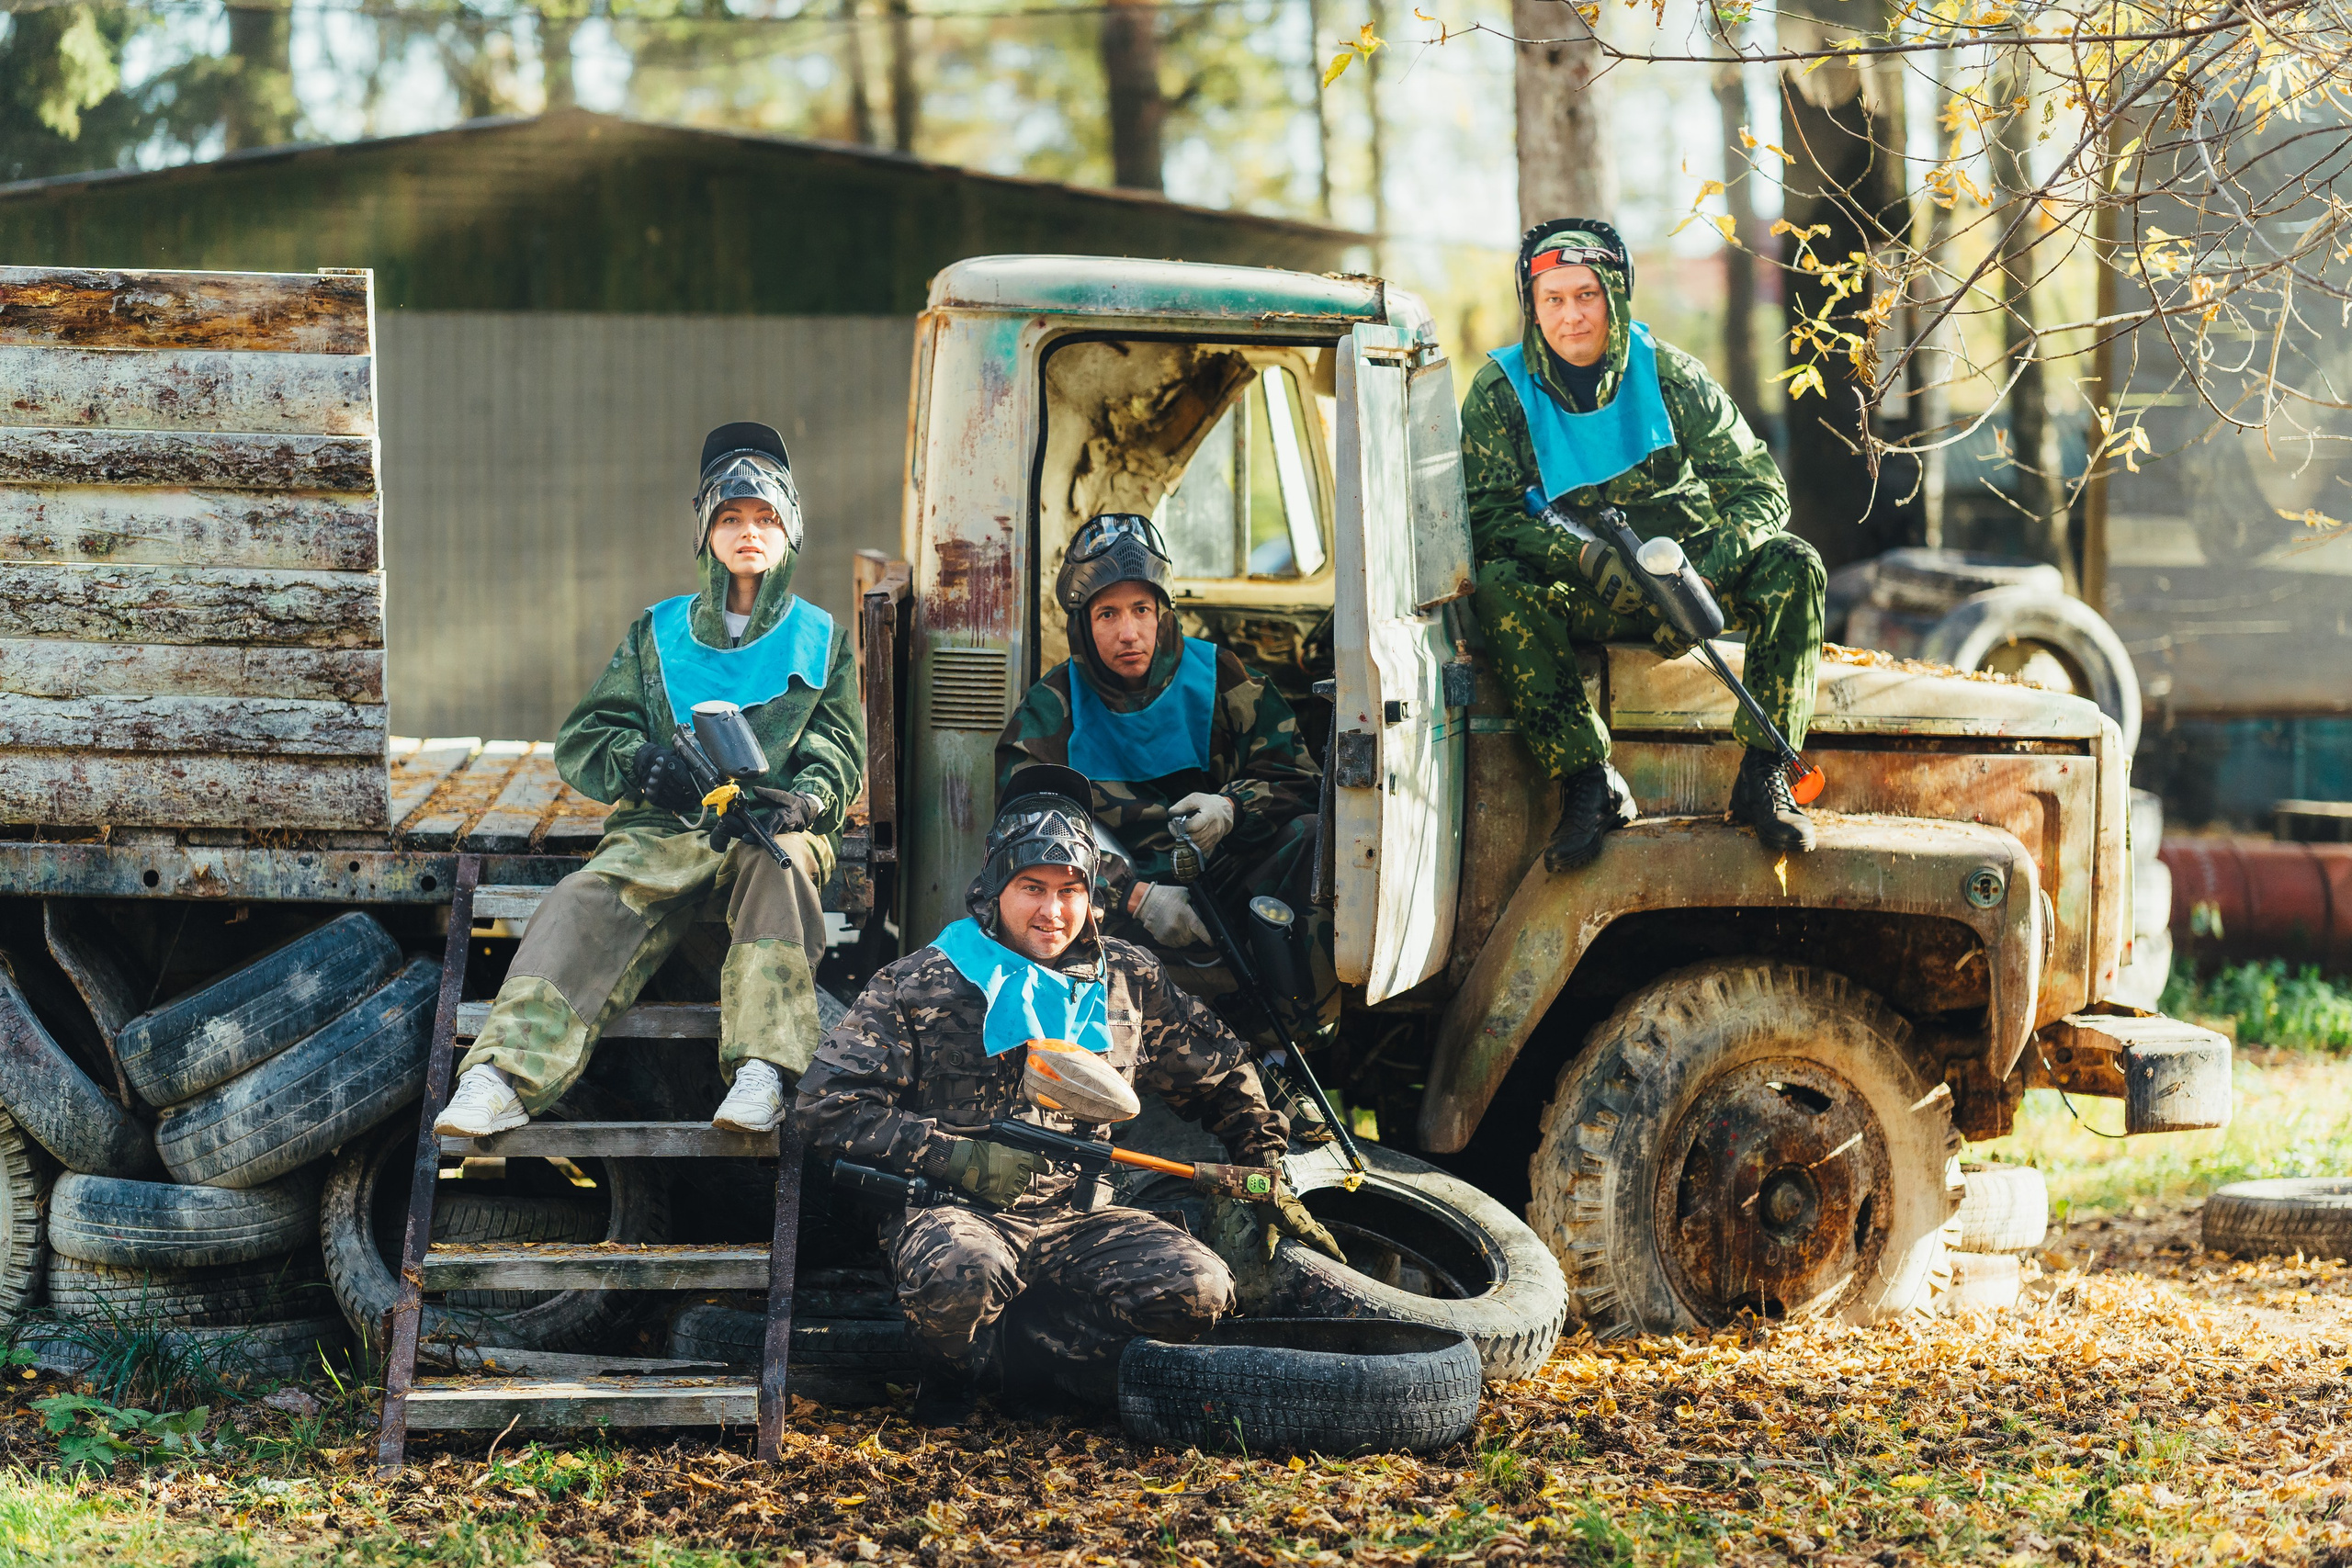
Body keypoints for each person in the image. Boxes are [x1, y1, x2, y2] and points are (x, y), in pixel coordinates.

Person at [793, 766, 1341, 1420]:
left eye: (1069, 889)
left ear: (1091, 895)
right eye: (1031, 888)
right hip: (959, 1212)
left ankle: (1029, 1357)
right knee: (960, 1273)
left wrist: (1264, 1165)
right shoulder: (923, 980)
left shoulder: (1127, 978)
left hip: (1086, 1218)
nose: (1051, 912)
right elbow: (825, 1106)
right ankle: (950, 1376)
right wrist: (956, 1157)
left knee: (1200, 1290)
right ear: (995, 887)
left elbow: (1222, 1068)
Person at [435, 423, 865, 1139]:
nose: (748, 533)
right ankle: (500, 1074)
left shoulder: (821, 637)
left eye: (765, 518)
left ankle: (762, 1069)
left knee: (779, 872)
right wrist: (640, 761)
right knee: (583, 898)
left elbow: (840, 747)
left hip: (766, 828)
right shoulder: (655, 632)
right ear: (705, 530)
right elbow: (587, 735)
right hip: (664, 831)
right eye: (731, 518)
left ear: (792, 528)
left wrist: (811, 798)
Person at [1460, 218, 1826, 869]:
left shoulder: (1672, 376)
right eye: (1554, 299)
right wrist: (1580, 557)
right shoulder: (1499, 393)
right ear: (1533, 308)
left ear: (1616, 297)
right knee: (1499, 586)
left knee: (1795, 563)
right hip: (1594, 591)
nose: (1572, 316)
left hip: (1693, 589)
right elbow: (1486, 516)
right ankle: (1587, 780)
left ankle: (1765, 774)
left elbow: (1761, 489)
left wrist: (1704, 573)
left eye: (1587, 295)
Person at [996, 513, 1328, 1016]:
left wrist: (1231, 808)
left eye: (1141, 610)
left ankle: (1287, 1037)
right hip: (1112, 900)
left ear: (1163, 613)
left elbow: (1300, 779)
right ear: (1082, 624)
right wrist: (1135, 896)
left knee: (1311, 835)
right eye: (1107, 614)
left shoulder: (1221, 678)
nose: (1129, 632)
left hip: (1224, 875)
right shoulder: (1052, 707)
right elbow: (1026, 826)